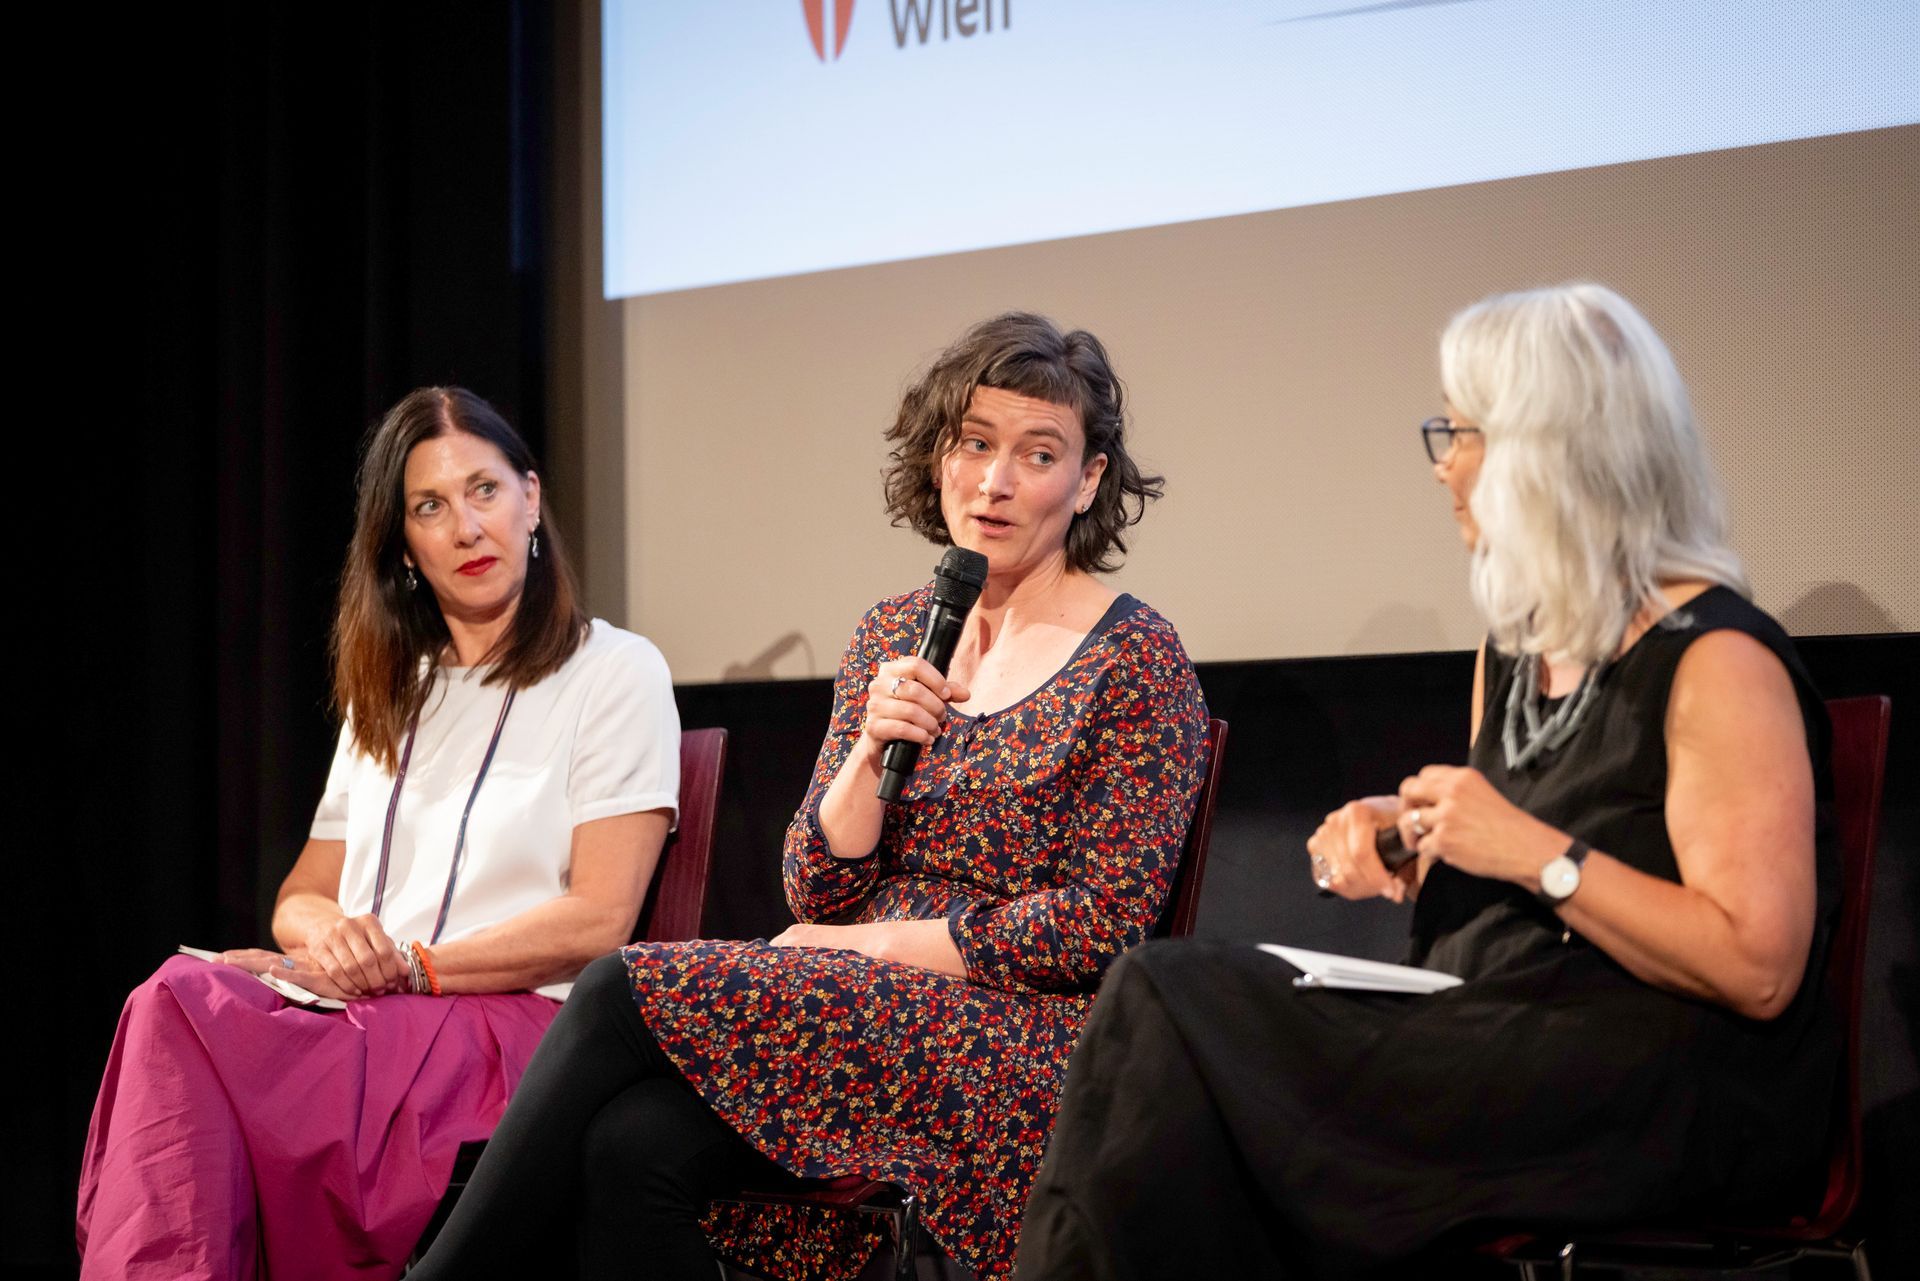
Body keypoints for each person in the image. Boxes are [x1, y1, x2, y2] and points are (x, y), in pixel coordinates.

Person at [1014, 283, 1841, 1279]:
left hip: (1655, 1080)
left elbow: (1756, 966)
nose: (1444, 463)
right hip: (1494, 1028)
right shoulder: (1520, 647)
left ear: (1554, 447)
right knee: (1170, 1027)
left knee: (1173, 1001)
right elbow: (1526, 850)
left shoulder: (1716, 658)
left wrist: (1534, 854)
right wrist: (1418, 835)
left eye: (1463, 432)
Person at [407, 313, 1211, 1281]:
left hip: (1016, 1043)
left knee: (619, 983)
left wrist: (875, 946)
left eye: (1037, 454)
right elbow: (814, 889)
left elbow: (1101, 926)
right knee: (630, 1147)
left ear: (1086, 480)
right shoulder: (894, 633)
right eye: (974, 444)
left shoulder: (1135, 657)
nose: (994, 482)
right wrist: (870, 748)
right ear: (939, 457)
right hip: (857, 1013)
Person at [76, 387, 681, 1281]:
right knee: (172, 999)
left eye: (484, 490)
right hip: (370, 1013)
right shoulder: (391, 691)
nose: (467, 527)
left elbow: (601, 918)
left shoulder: (615, 669)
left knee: (183, 1013)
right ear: (403, 547)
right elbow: (300, 897)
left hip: (510, 1030)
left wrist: (409, 966)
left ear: (531, 499)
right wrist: (336, 939)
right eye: (430, 507)